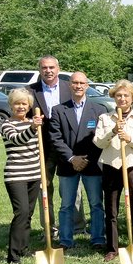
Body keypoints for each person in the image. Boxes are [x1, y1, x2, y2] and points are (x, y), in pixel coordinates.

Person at [49, 72, 107, 250]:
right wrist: (72, 158)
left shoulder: (99, 110)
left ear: (87, 86)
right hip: (68, 164)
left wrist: (84, 159)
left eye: (82, 83)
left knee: (96, 204)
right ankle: (66, 239)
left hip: (92, 164)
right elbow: (56, 138)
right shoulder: (58, 110)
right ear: (69, 85)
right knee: (67, 205)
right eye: (75, 83)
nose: (78, 86)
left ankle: (98, 237)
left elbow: (101, 138)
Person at [93, 80, 133, 262]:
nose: (122, 98)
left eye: (126, 95)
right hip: (111, 165)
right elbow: (98, 142)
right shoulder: (105, 118)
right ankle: (112, 247)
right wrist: (113, 132)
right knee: (111, 208)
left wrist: (129, 137)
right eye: (119, 95)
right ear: (114, 97)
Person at [27, 56, 78, 238]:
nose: (48, 71)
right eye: (44, 68)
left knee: (71, 187)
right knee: (44, 187)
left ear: (58, 68)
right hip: (42, 147)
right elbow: (23, 117)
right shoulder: (30, 91)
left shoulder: (69, 87)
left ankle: (77, 225)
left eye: (51, 67)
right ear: (40, 69)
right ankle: (49, 227)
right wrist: (31, 122)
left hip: (66, 145)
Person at [1, 88, 44, 264]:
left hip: (34, 173)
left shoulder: (33, 123)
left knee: (29, 214)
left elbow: (38, 148)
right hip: (16, 175)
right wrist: (33, 127)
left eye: (24, 104)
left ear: (29, 106)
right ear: (11, 105)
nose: (20, 107)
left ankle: (24, 248)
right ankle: (13, 255)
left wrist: (34, 126)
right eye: (17, 103)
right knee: (21, 212)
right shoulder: (6, 124)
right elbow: (18, 139)